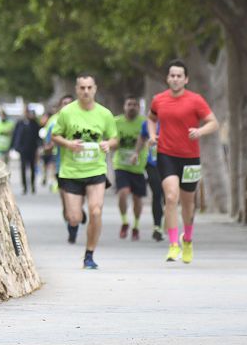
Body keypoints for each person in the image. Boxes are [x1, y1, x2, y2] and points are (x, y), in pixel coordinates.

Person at [148, 59, 219, 264]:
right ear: (167, 78)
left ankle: (187, 239)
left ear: (186, 79)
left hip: (190, 157)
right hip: (166, 154)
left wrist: (199, 131)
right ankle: (172, 245)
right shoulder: (158, 100)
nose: (175, 79)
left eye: (179, 76)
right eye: (172, 75)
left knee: (188, 202)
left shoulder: (196, 100)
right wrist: (153, 136)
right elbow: (151, 119)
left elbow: (213, 123)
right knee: (170, 197)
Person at [51, 74, 118, 269]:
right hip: (71, 171)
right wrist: (69, 144)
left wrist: (108, 144)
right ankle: (76, 219)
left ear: (95, 89)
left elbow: (114, 138)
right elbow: (55, 136)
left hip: (95, 169)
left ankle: (89, 255)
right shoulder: (67, 113)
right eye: (82, 88)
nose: (86, 91)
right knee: (74, 217)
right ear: (76, 89)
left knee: (96, 211)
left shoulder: (104, 114)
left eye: (89, 87)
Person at [113, 95, 149, 240]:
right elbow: (110, 139)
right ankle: (124, 222)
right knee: (123, 192)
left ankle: (136, 225)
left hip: (138, 166)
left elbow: (147, 137)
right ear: (124, 107)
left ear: (139, 108)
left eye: (135, 104)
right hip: (121, 164)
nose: (132, 107)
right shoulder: (116, 122)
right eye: (129, 104)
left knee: (137, 198)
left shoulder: (144, 122)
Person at [10, 105, 42, 194]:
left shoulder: (34, 123)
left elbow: (38, 135)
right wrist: (14, 146)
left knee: (32, 167)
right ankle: (24, 187)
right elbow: (15, 135)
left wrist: (39, 146)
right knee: (23, 168)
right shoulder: (20, 123)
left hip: (32, 149)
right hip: (23, 149)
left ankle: (32, 186)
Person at [144, 123, 165, 242]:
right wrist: (136, 153)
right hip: (153, 164)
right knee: (157, 194)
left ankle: (168, 225)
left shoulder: (174, 119)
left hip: (170, 163)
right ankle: (157, 227)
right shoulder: (148, 124)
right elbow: (142, 139)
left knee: (169, 196)